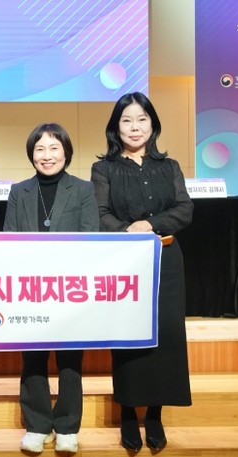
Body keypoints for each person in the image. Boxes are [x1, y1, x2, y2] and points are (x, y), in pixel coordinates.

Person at [91, 92, 193, 452]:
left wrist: (148, 224)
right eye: (127, 120)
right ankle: (128, 412)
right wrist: (128, 232)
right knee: (129, 336)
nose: (135, 127)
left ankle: (155, 414)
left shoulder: (170, 166)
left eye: (142, 119)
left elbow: (184, 210)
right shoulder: (104, 169)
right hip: (126, 262)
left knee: (166, 336)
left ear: (153, 124)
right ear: (115, 127)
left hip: (166, 259)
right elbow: (100, 214)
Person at [3, 123, 99, 454]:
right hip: (29, 288)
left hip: (69, 287)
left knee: (70, 360)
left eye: (54, 148)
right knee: (33, 358)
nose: (47, 156)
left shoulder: (83, 189)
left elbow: (90, 237)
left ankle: (68, 427)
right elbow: (10, 238)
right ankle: (37, 425)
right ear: (31, 154)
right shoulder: (19, 191)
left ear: (66, 153)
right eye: (40, 149)